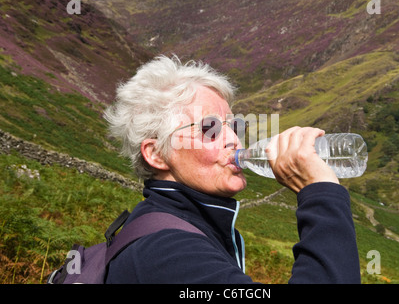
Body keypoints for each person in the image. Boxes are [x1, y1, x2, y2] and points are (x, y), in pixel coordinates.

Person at [103, 55, 361, 284]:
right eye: (210, 128)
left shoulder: (181, 225)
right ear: (157, 154)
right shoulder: (166, 251)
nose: (234, 140)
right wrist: (321, 193)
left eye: (234, 126)